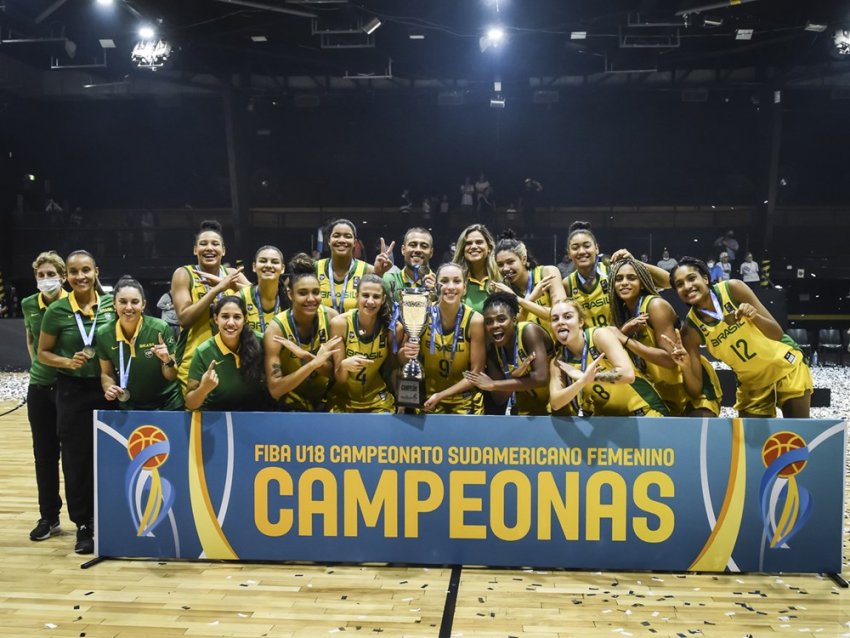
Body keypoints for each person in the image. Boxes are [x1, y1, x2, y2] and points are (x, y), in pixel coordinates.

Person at [668, 257, 812, 418]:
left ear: (706, 278)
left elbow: (777, 333)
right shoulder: (690, 330)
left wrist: (754, 316)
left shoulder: (733, 288)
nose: (687, 286)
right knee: (751, 442)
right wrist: (686, 365)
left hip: (785, 364)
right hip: (751, 382)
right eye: (680, 284)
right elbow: (695, 389)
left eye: (691, 278)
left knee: (797, 436)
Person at [38, 250, 114, 554]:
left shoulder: (112, 303)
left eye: (85, 270)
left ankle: (111, 518)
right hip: (72, 390)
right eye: (73, 272)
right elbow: (43, 352)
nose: (80, 276)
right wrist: (68, 363)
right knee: (76, 459)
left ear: (96, 271)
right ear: (66, 276)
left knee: (109, 456)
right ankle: (84, 524)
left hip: (108, 387)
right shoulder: (56, 311)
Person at [607, 258, 720, 417]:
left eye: (631, 278)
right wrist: (623, 331)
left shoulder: (655, 306)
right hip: (663, 393)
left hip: (689, 387)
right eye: (618, 279)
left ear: (642, 282)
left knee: (698, 436)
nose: (624, 283)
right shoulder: (621, 313)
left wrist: (626, 340)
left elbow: (670, 360)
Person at [548, 300, 668, 417]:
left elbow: (627, 374)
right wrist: (581, 381)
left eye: (567, 317)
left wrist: (592, 378)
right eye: (555, 319)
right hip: (608, 420)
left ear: (580, 322)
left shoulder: (599, 335)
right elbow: (556, 403)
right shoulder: (558, 361)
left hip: (644, 411)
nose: (560, 322)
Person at [21, 251, 67, 542]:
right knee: (44, 455)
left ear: (63, 276)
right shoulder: (28, 304)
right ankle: (49, 517)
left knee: (75, 457)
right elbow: (30, 339)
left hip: (69, 388)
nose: (46, 280)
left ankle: (85, 517)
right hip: (40, 387)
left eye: (52, 274)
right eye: (41, 275)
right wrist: (38, 367)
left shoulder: (73, 303)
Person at [171, 220, 249, 390]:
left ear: (223, 250)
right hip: (193, 363)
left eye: (215, 244)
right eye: (203, 244)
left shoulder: (231, 275)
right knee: (196, 414)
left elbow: (256, 299)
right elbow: (184, 318)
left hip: (231, 360)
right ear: (195, 249)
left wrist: (227, 284)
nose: (209, 248)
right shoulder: (184, 273)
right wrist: (216, 290)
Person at [398, 263, 486, 414]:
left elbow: (475, 374)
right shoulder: (422, 312)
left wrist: (441, 395)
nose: (450, 286)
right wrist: (406, 353)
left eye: (457, 281)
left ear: (464, 287)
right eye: (444, 281)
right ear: (436, 286)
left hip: (463, 402)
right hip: (427, 400)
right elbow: (401, 359)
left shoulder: (475, 320)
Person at [264, 253, 340, 411]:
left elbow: (336, 374)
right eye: (303, 293)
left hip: (327, 401)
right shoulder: (277, 328)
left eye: (316, 292)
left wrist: (305, 355)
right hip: (290, 404)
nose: (311, 299)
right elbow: (275, 389)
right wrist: (313, 363)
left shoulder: (332, 317)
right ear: (290, 294)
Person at [97, 277, 183, 411]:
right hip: (130, 405)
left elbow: (171, 375)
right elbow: (106, 373)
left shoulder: (160, 328)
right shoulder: (104, 334)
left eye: (135, 302)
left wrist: (167, 360)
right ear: (114, 304)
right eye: (123, 302)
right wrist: (108, 387)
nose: (129, 307)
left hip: (167, 405)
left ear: (143, 305)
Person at [463, 292, 553, 416]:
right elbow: (499, 398)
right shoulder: (492, 351)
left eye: (501, 319)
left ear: (514, 319)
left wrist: (494, 384)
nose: (495, 325)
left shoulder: (529, 331)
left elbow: (541, 378)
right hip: (524, 413)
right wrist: (513, 377)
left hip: (552, 411)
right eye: (489, 321)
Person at [184, 296, 271, 411]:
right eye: (225, 316)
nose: (230, 323)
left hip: (253, 413)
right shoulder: (203, 352)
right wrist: (204, 388)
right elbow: (190, 404)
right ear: (216, 319)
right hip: (216, 414)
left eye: (237, 317)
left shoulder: (262, 342)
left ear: (245, 320)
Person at [328, 274, 397, 413]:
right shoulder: (340, 324)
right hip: (343, 398)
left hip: (377, 398)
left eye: (376, 297)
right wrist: (344, 365)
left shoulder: (393, 328)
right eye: (365, 295)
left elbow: (392, 369)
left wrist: (403, 400)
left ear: (383, 299)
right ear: (357, 295)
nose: (370, 301)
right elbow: (340, 378)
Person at [491, 230, 566, 330]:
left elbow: (561, 315)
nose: (505, 268)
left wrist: (516, 299)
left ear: (523, 259)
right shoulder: (503, 289)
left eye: (510, 262)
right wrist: (531, 298)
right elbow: (514, 325)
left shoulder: (547, 273)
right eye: (500, 264)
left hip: (556, 343)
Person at [316, 218, 392, 314]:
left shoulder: (369, 271)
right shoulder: (315, 269)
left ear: (355, 242)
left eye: (347, 236)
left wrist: (379, 274)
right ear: (329, 241)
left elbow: (380, 308)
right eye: (336, 235)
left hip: (356, 329)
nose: (342, 240)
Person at [452, 223, 501, 313]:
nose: (474, 246)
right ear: (463, 250)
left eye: (479, 242)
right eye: (468, 243)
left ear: (489, 247)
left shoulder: (501, 277)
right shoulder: (455, 281)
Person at [240, 245, 288, 334]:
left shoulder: (290, 299)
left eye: (275, 262)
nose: (268, 265)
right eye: (263, 261)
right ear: (254, 267)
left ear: (282, 268)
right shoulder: (241, 297)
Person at [382, 227, 436, 302]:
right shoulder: (390, 280)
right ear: (403, 249)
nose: (418, 250)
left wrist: (434, 297)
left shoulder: (439, 284)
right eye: (413, 245)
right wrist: (379, 273)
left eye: (424, 246)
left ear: (431, 253)